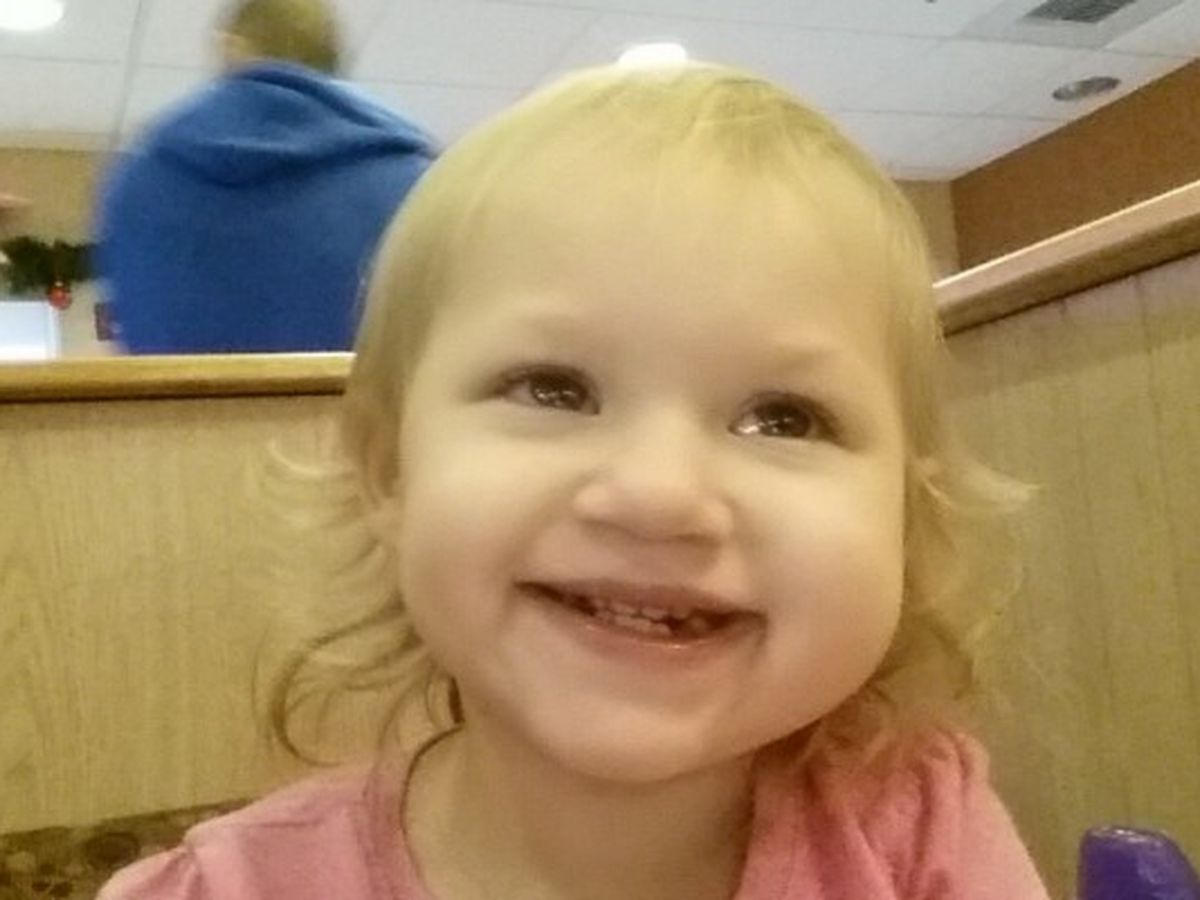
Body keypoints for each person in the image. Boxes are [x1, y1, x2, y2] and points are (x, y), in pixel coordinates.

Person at [99, 62, 1049, 899]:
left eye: (784, 418)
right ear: (389, 470)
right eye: (554, 389)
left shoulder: (922, 835)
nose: (660, 495)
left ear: (903, 516)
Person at [94, 0, 437, 354]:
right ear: (332, 63)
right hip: (354, 391)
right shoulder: (419, 187)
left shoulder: (139, 180)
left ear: (231, 47)